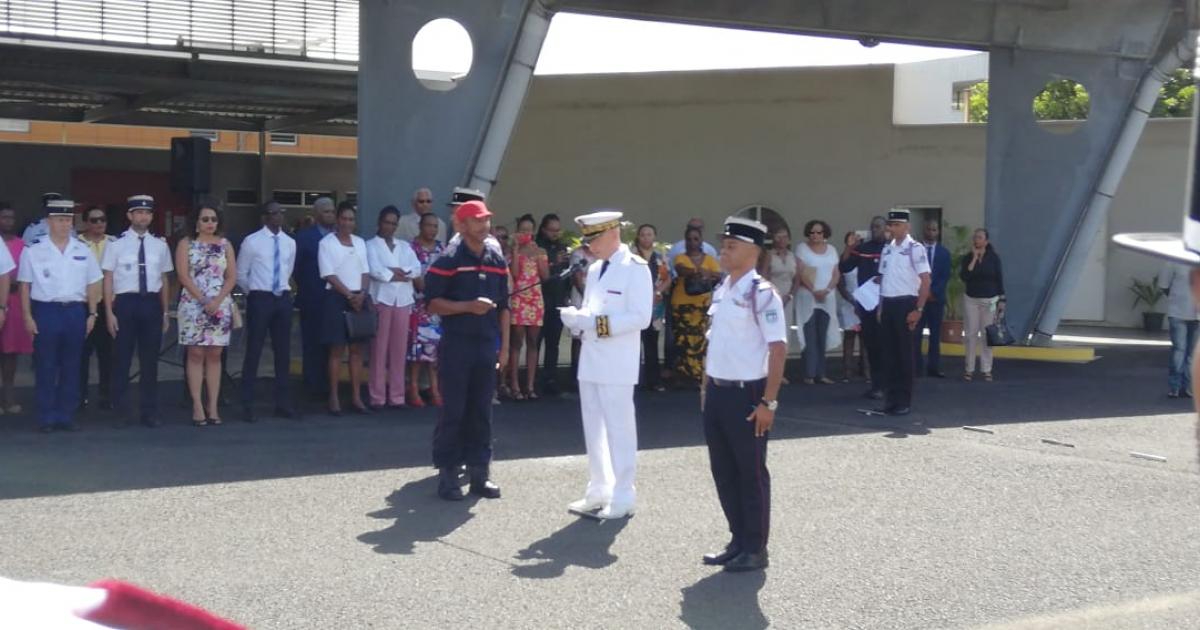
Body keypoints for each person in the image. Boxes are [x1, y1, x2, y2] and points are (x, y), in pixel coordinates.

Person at [700, 216, 787, 573]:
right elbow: (715, 342)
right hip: (718, 392)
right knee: (723, 471)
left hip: (747, 394)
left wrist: (769, 401)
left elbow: (778, 348)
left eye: (731, 246)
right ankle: (737, 539)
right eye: (724, 244)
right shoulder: (724, 288)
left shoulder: (761, 293)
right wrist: (705, 388)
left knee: (750, 473)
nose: (723, 250)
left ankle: (755, 548)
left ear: (752, 252)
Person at [561, 210, 653, 520]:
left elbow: (641, 317)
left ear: (613, 234)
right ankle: (599, 487)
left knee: (619, 428)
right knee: (593, 426)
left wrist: (594, 324)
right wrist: (576, 320)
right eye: (586, 240)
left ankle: (624, 493)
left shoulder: (636, 268)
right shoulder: (597, 268)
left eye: (594, 239)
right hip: (591, 359)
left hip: (616, 362)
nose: (588, 246)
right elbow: (592, 310)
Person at [424, 199, 510, 501]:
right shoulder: (448, 259)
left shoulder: (497, 260)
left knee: (481, 410)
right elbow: (432, 302)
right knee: (454, 410)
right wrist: (466, 307)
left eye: (486, 219)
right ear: (461, 225)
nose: (484, 225)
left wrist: (505, 349)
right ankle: (448, 473)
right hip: (457, 344)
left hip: (486, 344)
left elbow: (504, 308)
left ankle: (480, 474)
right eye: (477, 220)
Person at [17, 197, 97, 432]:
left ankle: (66, 414)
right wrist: (27, 316)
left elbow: (93, 282)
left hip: (74, 310)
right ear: (49, 221)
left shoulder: (82, 249)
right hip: (46, 310)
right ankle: (46, 415)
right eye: (60, 219)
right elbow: (24, 285)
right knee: (46, 364)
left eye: (68, 219)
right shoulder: (33, 250)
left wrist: (92, 313)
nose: (65, 224)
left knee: (72, 364)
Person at [102, 195, 173, 428]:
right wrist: (109, 312)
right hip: (125, 303)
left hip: (151, 304)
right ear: (129, 216)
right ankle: (120, 410)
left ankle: (149, 411)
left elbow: (163, 279)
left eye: (147, 213)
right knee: (121, 358)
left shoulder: (160, 245)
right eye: (139, 212)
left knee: (150, 360)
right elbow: (108, 278)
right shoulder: (115, 244)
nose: (143, 217)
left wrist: (165, 312)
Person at [236, 201, 297, 422]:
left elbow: (288, 269)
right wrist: (253, 293)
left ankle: (282, 402)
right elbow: (242, 273)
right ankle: (247, 403)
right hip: (260, 297)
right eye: (273, 214)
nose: (278, 217)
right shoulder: (252, 242)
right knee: (254, 349)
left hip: (282, 297)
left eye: (281, 213)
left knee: (283, 352)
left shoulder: (290, 242)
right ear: (264, 217)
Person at [176, 201, 236, 427]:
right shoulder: (186, 244)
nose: (210, 223)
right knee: (195, 354)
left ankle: (213, 405)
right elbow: (183, 275)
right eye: (205, 219)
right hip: (193, 304)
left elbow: (231, 276)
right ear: (197, 222)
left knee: (214, 355)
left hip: (219, 305)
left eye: (213, 219)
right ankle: (197, 405)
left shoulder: (225, 244)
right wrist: (202, 299)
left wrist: (218, 300)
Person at [873, 209, 931, 416]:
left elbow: (925, 280)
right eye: (891, 224)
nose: (892, 228)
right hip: (888, 303)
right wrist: (880, 307)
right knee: (889, 354)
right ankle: (890, 399)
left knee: (904, 354)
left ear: (907, 227)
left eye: (897, 225)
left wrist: (918, 309)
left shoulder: (915, 249)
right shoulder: (887, 249)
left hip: (906, 302)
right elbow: (883, 279)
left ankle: (904, 400)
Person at [318, 204, 372, 416]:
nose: (348, 223)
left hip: (359, 298)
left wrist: (362, 295)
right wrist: (349, 295)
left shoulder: (360, 243)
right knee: (337, 350)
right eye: (344, 218)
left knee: (357, 351)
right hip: (336, 298)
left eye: (351, 219)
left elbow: (366, 271)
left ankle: (357, 397)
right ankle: (334, 397)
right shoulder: (326, 243)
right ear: (338, 220)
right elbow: (328, 273)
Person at [367, 206, 420, 409]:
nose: (390, 227)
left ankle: (397, 395)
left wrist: (397, 272)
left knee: (399, 349)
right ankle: (377, 396)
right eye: (387, 222)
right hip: (381, 298)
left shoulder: (404, 246)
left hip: (403, 299)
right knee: (379, 348)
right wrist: (395, 273)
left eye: (393, 223)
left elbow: (415, 269)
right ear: (380, 222)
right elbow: (374, 270)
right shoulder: (370, 245)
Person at [840, 216, 888, 399]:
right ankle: (876, 385)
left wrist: (885, 278)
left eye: (878, 227)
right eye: (873, 227)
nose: (875, 230)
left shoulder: (891, 249)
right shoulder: (863, 249)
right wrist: (849, 247)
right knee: (871, 346)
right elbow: (844, 266)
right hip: (867, 303)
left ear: (886, 229)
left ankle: (888, 385)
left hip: (886, 304)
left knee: (886, 347)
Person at [294, 196, 337, 397]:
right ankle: (312, 386)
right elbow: (296, 268)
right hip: (312, 297)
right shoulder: (304, 237)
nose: (330, 215)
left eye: (332, 211)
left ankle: (330, 385)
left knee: (331, 343)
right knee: (311, 343)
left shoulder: (339, 236)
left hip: (335, 298)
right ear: (318, 214)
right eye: (326, 211)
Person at [671, 226, 721, 383]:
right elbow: (680, 270)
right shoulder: (680, 257)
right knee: (682, 340)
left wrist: (708, 273)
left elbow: (719, 275)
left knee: (701, 339)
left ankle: (700, 374)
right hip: (682, 305)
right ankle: (683, 375)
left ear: (701, 241)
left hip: (702, 305)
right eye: (689, 239)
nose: (693, 242)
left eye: (696, 239)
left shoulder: (710, 259)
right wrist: (699, 272)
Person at [794, 219, 842, 385]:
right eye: (812, 232)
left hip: (827, 297)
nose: (815, 235)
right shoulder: (802, 249)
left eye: (819, 232)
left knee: (823, 335)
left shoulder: (832, 250)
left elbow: (836, 274)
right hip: (808, 297)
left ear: (824, 234)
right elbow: (800, 273)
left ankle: (821, 373)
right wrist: (814, 290)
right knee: (809, 334)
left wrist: (827, 290)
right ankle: (809, 374)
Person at [507, 214, 549, 400]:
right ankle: (514, 384)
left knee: (533, 342)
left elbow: (545, 276)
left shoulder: (540, 251)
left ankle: (530, 385)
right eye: (522, 230)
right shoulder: (512, 252)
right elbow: (515, 275)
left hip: (535, 298)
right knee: (516, 342)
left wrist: (539, 257)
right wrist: (516, 252)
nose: (526, 233)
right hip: (518, 298)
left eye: (529, 230)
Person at [78, 206, 116, 411]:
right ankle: (80, 395)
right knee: (81, 353)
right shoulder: (76, 244)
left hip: (108, 305)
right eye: (94, 220)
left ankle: (105, 395)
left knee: (107, 353)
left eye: (102, 220)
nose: (99, 224)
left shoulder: (114, 243)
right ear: (85, 223)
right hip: (83, 305)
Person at [407, 212, 445, 408]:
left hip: (436, 305)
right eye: (429, 225)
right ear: (421, 226)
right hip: (418, 303)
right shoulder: (411, 247)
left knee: (435, 348)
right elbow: (413, 274)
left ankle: (434, 388)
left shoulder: (442, 249)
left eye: (435, 226)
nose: (432, 229)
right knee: (416, 349)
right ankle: (413, 387)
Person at [961, 228, 1006, 382]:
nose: (976, 240)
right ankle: (969, 369)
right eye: (975, 238)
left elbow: (999, 278)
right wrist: (974, 258)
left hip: (989, 301)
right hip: (971, 300)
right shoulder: (968, 258)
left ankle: (987, 369)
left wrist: (1002, 299)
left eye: (979, 238)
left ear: (986, 241)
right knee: (970, 334)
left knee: (987, 334)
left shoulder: (994, 258)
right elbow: (965, 276)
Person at [633, 224, 671, 392]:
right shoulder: (631, 256)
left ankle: (653, 380)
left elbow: (668, 278)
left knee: (651, 342)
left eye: (649, 234)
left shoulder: (660, 257)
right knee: (633, 343)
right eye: (643, 234)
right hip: (634, 303)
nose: (646, 237)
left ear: (654, 237)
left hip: (654, 304)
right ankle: (633, 379)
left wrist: (657, 291)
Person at [0, 204, 31, 414]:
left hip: (15, 301)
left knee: (10, 353)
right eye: (4, 217)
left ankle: (8, 398)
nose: (8, 221)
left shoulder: (23, 245)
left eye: (11, 218)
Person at [537, 213, 571, 396]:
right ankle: (533, 380)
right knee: (535, 341)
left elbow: (566, 273)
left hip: (557, 299)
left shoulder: (562, 247)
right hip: (539, 299)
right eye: (552, 230)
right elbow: (539, 274)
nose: (555, 234)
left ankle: (550, 379)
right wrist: (553, 262)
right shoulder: (537, 246)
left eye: (558, 230)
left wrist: (566, 294)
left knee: (553, 343)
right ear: (543, 229)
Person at [914, 220, 952, 378]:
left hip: (936, 300)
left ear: (938, 232)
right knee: (916, 335)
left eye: (934, 230)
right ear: (924, 230)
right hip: (917, 299)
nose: (931, 232)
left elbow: (944, 276)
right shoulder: (914, 250)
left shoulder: (944, 253)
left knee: (935, 336)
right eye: (928, 229)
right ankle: (916, 368)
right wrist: (922, 292)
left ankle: (934, 367)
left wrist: (931, 292)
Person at [1160, 261, 1199, 398]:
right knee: (1179, 350)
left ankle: (1187, 388)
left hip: (1196, 315)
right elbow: (1164, 285)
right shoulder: (1173, 260)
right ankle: (1175, 387)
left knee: (1191, 353)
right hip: (1178, 313)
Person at [837, 231, 868, 384]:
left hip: (865, 303)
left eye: (860, 240)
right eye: (854, 240)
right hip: (849, 304)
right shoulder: (844, 259)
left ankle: (866, 371)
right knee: (849, 337)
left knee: (866, 338)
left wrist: (863, 301)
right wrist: (850, 299)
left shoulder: (864, 258)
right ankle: (847, 372)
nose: (858, 243)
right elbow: (840, 282)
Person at [567, 242, 596, 389]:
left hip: (599, 299)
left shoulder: (602, 253)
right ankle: (576, 376)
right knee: (579, 337)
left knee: (594, 337)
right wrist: (588, 298)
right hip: (581, 297)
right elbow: (577, 278)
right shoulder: (578, 254)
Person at [766, 227, 801, 349]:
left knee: (786, 331)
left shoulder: (793, 257)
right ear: (773, 239)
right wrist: (773, 295)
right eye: (778, 236)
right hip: (771, 298)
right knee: (773, 331)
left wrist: (790, 295)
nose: (782, 240)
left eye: (785, 237)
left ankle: (783, 364)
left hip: (788, 298)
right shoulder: (768, 255)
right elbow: (764, 277)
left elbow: (797, 279)